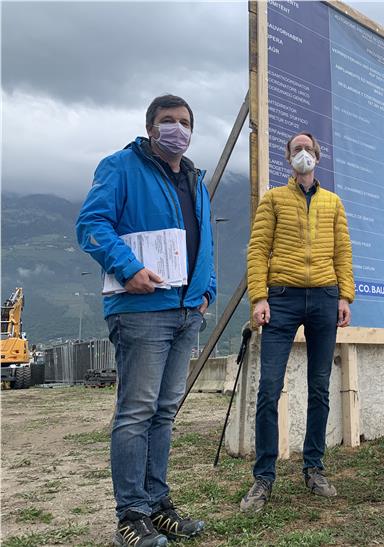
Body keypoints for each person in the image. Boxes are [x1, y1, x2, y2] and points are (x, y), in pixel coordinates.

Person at [76, 94, 215, 546]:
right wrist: (127, 267)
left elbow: (205, 242)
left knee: (164, 413)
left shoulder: (195, 178)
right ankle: (131, 515)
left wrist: (206, 290)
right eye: (168, 120)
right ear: (150, 127)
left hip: (185, 312)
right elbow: (91, 224)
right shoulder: (119, 167)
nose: (178, 128)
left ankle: (158, 505)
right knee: (136, 412)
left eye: (185, 121)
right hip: (140, 311)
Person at [240, 131, 355, 513]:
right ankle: (263, 478)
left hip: (324, 296)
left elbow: (343, 252)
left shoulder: (333, 202)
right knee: (269, 387)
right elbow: (258, 249)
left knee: (320, 387)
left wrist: (344, 296)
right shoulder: (273, 199)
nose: (302, 154)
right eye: (296, 149)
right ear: (287, 158)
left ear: (318, 157)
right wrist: (259, 296)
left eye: (308, 148)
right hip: (283, 298)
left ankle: (314, 468)